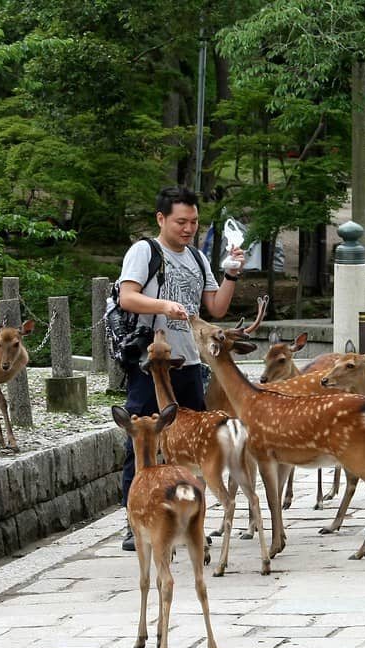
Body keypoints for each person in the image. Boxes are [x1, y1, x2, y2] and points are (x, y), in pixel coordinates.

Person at [116, 186, 246, 551]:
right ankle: (135, 522)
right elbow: (128, 296)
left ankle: (187, 518)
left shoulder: (197, 257)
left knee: (192, 448)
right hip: (151, 362)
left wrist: (231, 274)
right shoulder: (145, 251)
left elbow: (216, 309)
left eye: (193, 222)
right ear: (161, 219)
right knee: (142, 442)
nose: (188, 228)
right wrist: (163, 305)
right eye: (181, 222)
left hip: (188, 363)